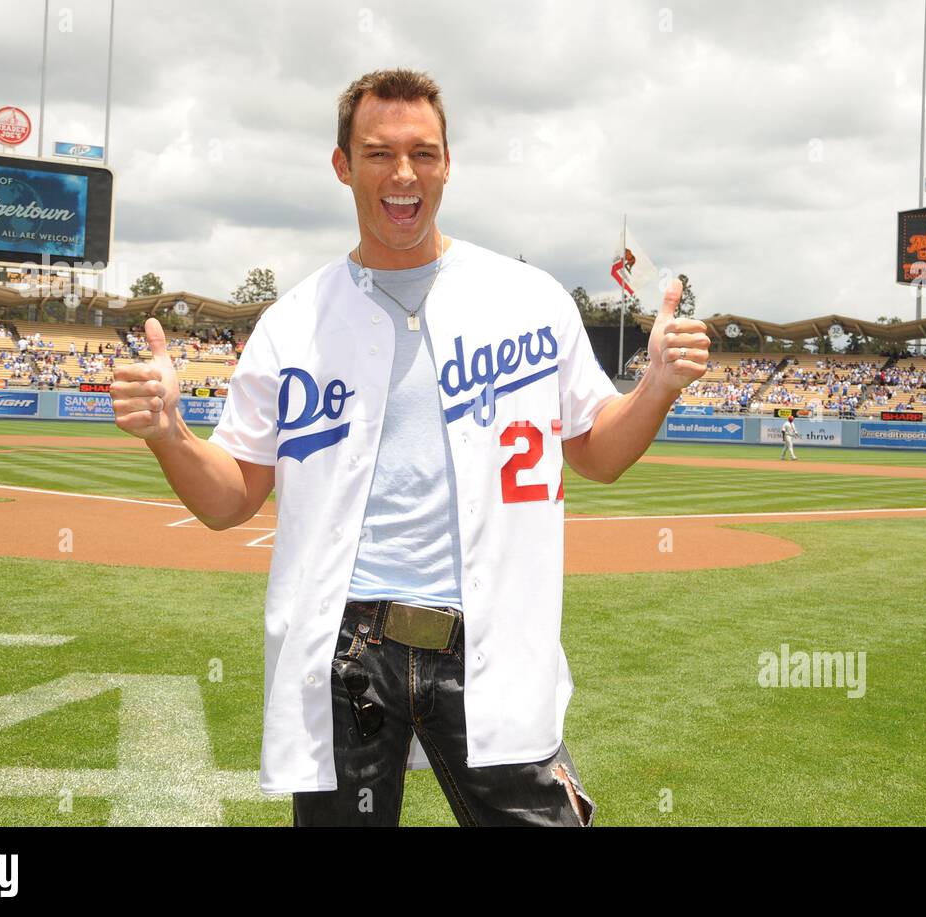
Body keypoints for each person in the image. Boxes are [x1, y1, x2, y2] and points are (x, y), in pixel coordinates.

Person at [108, 68, 711, 827]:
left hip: (490, 640)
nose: (403, 174)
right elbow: (231, 498)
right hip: (347, 651)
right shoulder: (294, 323)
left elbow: (598, 452)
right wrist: (169, 434)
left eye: (424, 153)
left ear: (448, 163)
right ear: (342, 166)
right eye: (378, 153)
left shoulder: (528, 298)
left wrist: (655, 384)